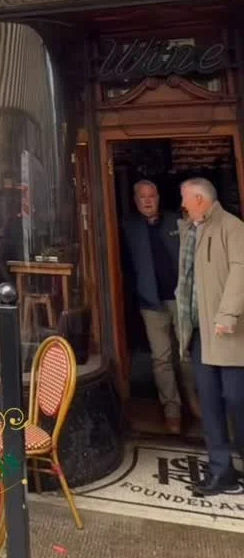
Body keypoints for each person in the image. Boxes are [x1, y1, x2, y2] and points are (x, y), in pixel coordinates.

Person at [177, 178, 244, 496]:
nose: (182, 205)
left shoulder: (232, 227)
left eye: (185, 199)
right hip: (200, 332)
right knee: (210, 402)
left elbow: (241, 271)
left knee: (237, 398)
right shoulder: (191, 229)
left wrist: (227, 314)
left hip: (227, 333)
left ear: (200, 199)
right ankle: (221, 470)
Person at [123, 179, 196, 434]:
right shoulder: (129, 228)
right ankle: (171, 410)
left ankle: (193, 402)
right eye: (142, 197)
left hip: (180, 299)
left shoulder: (177, 222)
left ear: (158, 198)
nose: (147, 201)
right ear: (135, 201)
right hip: (150, 302)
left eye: (151, 196)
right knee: (161, 358)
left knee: (186, 353)